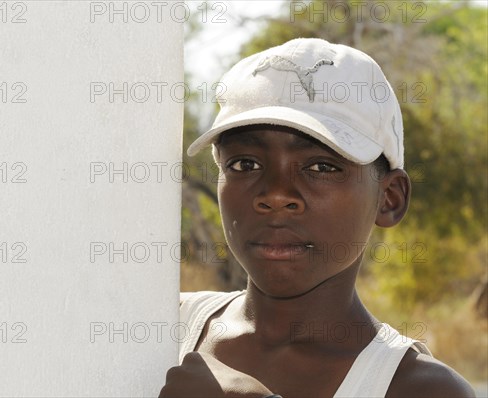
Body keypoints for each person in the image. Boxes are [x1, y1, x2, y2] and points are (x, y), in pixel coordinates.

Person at [159, 38, 475, 397]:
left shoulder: (419, 389)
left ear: (389, 199)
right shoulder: (165, 327)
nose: (276, 195)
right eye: (244, 164)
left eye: (321, 167)